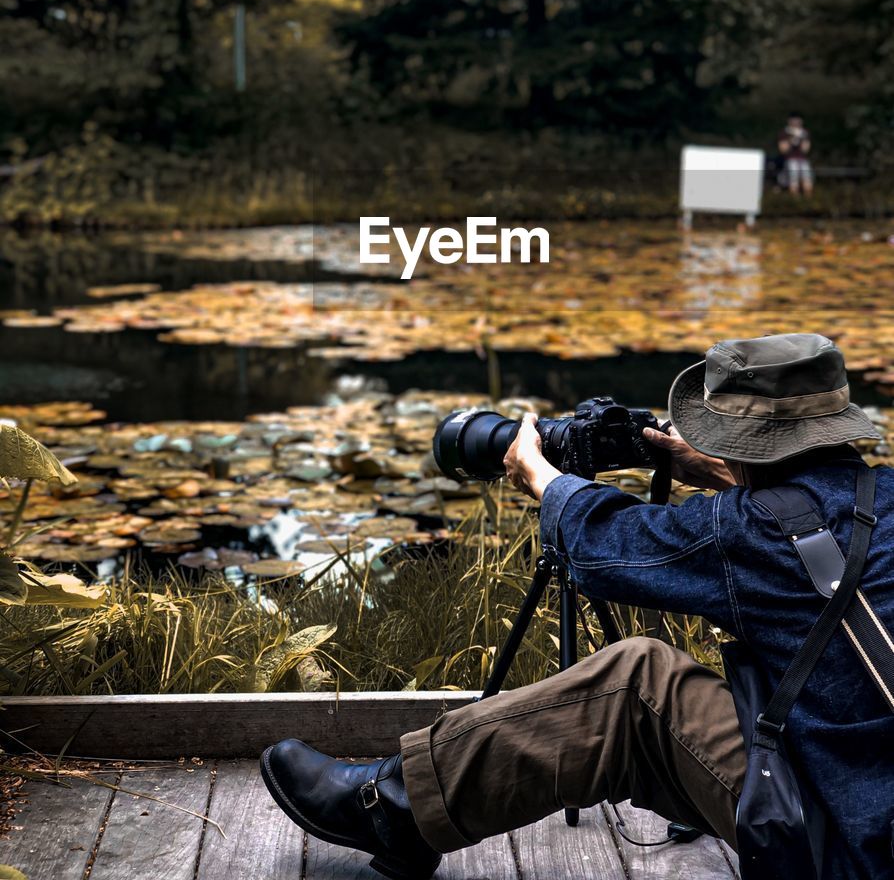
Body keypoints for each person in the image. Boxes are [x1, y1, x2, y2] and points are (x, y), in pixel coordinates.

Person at [259, 333, 894, 880]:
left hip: (845, 843)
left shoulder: (749, 533)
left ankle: (394, 807)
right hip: (871, 794)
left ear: (741, 440)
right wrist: (728, 474)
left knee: (635, 685)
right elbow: (813, 520)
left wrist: (541, 473)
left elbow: (603, 544)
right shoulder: (880, 496)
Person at [778, 111, 814, 195]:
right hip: (790, 160)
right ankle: (794, 201)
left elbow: (805, 150)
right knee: (793, 180)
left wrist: (801, 138)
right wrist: (791, 140)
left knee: (807, 179)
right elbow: (783, 149)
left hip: (802, 160)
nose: (796, 122)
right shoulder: (784, 132)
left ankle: (808, 201)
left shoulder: (804, 133)